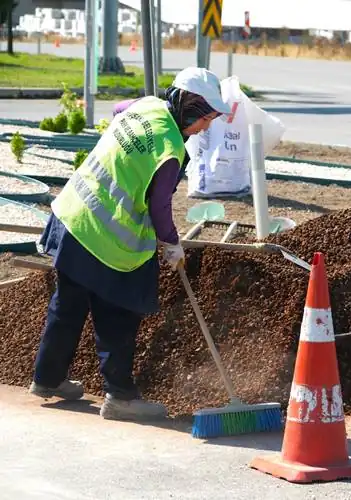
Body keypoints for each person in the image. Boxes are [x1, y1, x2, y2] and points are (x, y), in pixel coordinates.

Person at [28, 67, 230, 421]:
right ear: (191, 108)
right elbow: (159, 206)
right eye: (206, 119)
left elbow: (119, 109)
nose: (205, 128)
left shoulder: (147, 105)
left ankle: (47, 379)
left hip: (73, 213)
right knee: (119, 314)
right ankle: (120, 397)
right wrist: (171, 244)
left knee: (68, 306)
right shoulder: (170, 150)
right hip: (106, 239)